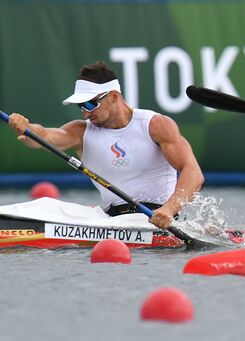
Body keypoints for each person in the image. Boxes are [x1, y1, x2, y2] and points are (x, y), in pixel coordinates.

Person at [8, 61, 204, 229]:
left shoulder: (156, 125)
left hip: (155, 219)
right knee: (46, 206)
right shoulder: (80, 131)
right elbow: (44, 137)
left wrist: (169, 210)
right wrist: (26, 128)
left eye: (91, 104)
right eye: (81, 106)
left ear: (113, 96)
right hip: (111, 220)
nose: (85, 112)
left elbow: (193, 173)